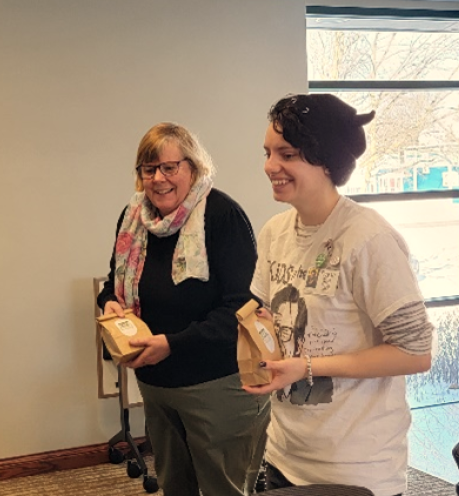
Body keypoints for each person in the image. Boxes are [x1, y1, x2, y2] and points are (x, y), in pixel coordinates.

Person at [246, 94, 434, 495]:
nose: (270, 166)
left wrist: (308, 366)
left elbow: (416, 353)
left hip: (356, 467)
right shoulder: (274, 233)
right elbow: (266, 315)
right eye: (267, 153)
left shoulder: (369, 239)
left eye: (287, 154)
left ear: (327, 160)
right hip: (285, 454)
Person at [97, 122, 269, 496]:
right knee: (175, 485)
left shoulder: (221, 215)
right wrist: (110, 301)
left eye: (169, 167)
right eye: (149, 169)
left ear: (193, 166)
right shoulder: (133, 218)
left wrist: (173, 344)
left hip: (216, 383)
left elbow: (243, 306)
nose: (158, 178)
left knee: (224, 488)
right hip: (156, 383)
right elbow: (113, 283)